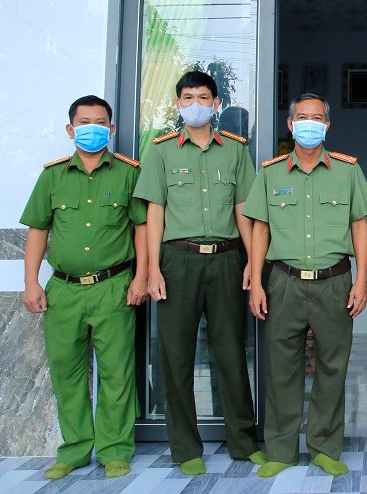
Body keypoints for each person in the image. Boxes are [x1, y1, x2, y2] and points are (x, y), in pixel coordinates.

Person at [133, 70, 263, 475]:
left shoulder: (235, 151)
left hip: (226, 259)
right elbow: (154, 212)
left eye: (203, 98)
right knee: (176, 356)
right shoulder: (161, 151)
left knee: (231, 353)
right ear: (178, 104)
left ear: (216, 103)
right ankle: (186, 449)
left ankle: (242, 442)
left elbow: (244, 210)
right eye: (187, 98)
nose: (195, 105)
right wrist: (152, 269)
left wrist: (252, 263)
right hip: (178, 260)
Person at [243, 93, 367, 478]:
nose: (309, 124)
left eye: (317, 118)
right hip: (283, 282)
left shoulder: (347, 172)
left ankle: (324, 447)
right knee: (281, 368)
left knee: (332, 367)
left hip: (334, 282)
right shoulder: (270, 174)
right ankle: (281, 450)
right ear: (290, 124)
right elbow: (260, 229)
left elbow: (359, 228)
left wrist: (362, 280)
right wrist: (256, 282)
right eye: (302, 117)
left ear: (328, 125)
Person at [20, 95, 148, 480]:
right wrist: (31, 282)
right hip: (64, 290)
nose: (93, 128)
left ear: (111, 129)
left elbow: (141, 228)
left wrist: (141, 276)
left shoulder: (128, 173)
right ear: (70, 129)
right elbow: (38, 230)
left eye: (100, 123)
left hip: (113, 286)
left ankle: (114, 450)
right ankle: (74, 450)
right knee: (67, 371)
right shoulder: (52, 177)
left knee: (117, 373)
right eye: (84, 122)